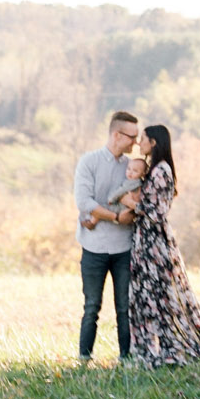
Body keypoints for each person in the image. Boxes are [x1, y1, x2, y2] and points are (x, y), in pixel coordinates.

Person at [127, 122, 200, 368]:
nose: (139, 144)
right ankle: (150, 346)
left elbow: (158, 211)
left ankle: (165, 347)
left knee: (159, 293)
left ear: (153, 143)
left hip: (154, 241)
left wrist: (132, 204)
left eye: (143, 139)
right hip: (146, 239)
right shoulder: (154, 169)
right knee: (149, 293)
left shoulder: (161, 170)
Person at [73, 109, 141, 364]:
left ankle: (126, 357)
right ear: (116, 134)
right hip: (93, 248)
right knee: (92, 307)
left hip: (123, 249)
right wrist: (113, 217)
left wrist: (97, 213)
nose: (135, 143)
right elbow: (83, 201)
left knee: (124, 307)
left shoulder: (132, 168)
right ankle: (84, 358)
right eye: (131, 136)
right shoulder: (88, 162)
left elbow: (135, 201)